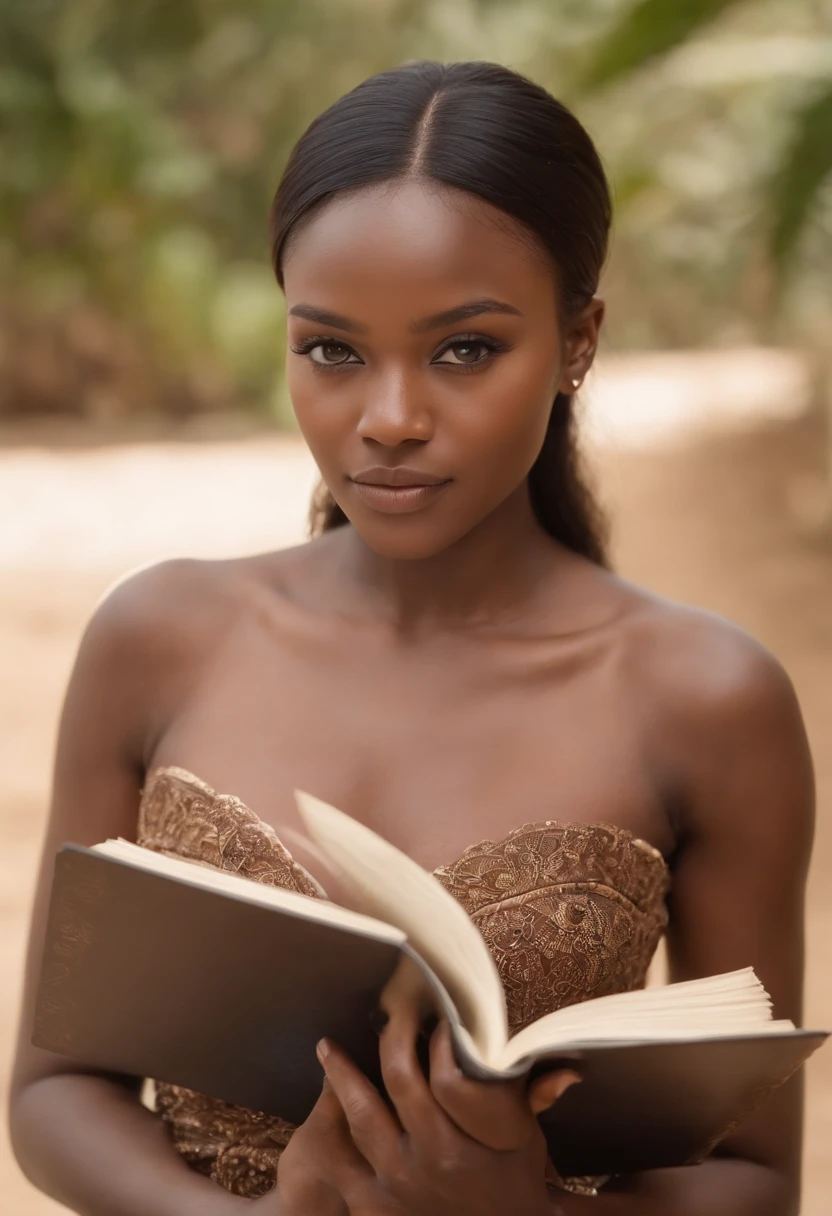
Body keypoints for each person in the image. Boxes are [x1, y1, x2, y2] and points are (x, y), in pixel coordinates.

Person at [9, 59, 814, 1216]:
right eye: (332, 350)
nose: (388, 418)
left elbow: (753, 1174)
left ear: (578, 340)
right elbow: (52, 1090)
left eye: (466, 349)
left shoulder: (705, 698)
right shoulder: (159, 637)